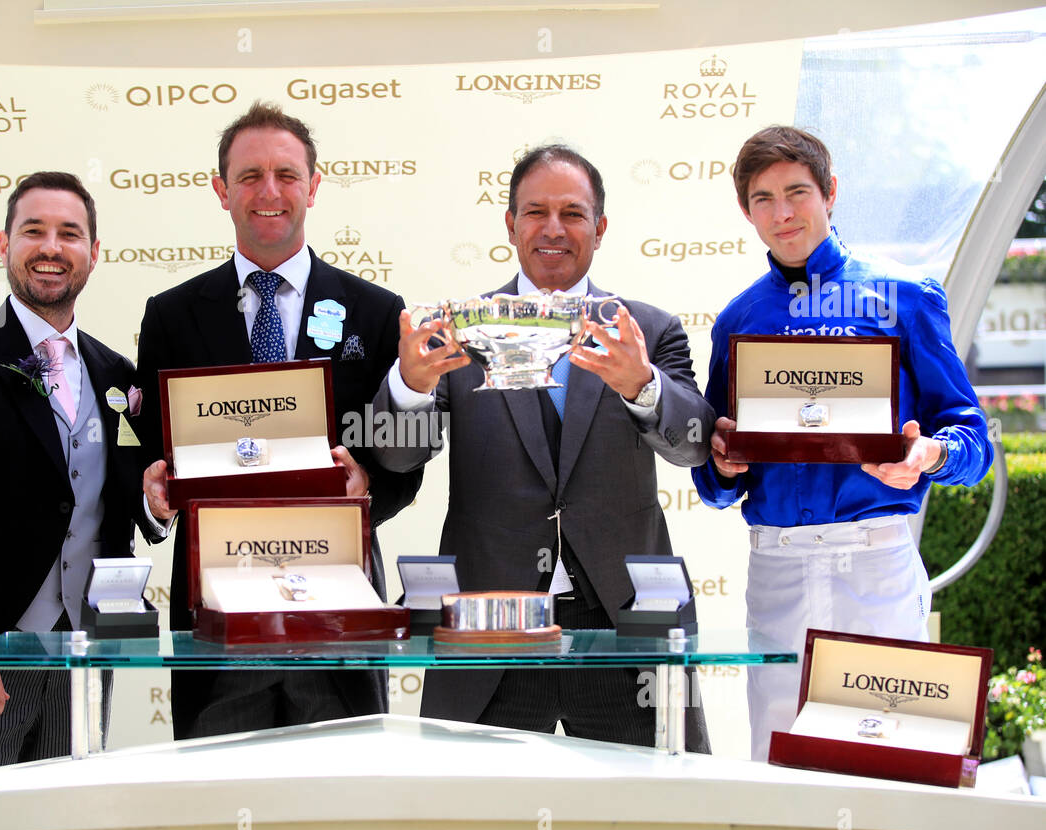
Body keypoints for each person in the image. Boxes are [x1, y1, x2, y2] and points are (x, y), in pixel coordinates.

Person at [372, 145, 714, 747]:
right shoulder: (460, 329)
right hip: (490, 628)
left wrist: (641, 384)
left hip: (621, 625)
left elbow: (692, 446)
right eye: (535, 212)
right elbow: (398, 456)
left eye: (573, 213)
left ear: (601, 228)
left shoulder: (648, 330)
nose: (553, 229)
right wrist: (409, 386)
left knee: (649, 818)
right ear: (510, 224)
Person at [690, 126, 993, 761]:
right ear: (746, 213)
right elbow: (716, 484)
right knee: (777, 766)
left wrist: (930, 456)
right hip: (775, 566)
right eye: (763, 198)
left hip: (876, 561)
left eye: (797, 191)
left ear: (830, 193)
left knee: (892, 765)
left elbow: (972, 438)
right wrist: (722, 463)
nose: (783, 212)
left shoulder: (906, 296)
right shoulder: (738, 320)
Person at [137, 101, 421, 738]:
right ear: (221, 190)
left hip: (337, 609)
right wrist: (154, 498)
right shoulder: (171, 316)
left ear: (314, 187)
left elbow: (406, 452)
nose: (270, 192)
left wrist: (370, 484)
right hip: (217, 610)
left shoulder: (377, 312)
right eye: (249, 176)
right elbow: (154, 458)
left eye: (287, 175)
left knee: (344, 804)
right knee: (218, 800)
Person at [0, 172, 161, 777]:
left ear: (94, 253)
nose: (50, 247)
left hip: (84, 654)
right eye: (32, 231)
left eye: (70, 233)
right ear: (4, 244)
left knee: (65, 829)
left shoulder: (115, 372)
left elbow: (117, 501)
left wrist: (156, 504)